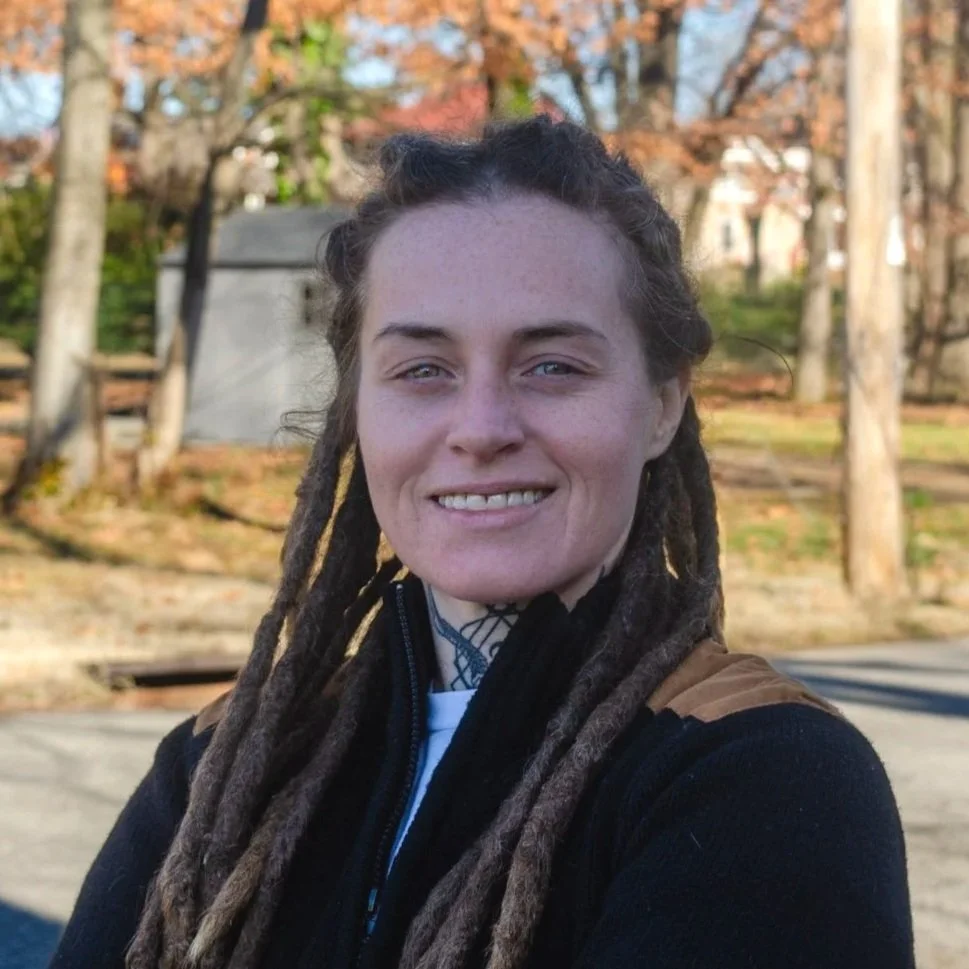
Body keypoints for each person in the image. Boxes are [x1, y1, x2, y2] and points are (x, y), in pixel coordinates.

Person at [49, 117, 914, 969]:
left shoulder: (760, 775)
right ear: (360, 408)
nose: (481, 428)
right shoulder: (223, 763)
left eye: (552, 366)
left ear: (659, 405)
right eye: (423, 369)